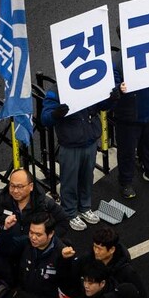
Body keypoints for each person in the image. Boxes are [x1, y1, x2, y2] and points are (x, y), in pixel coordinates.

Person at [40, 87, 103, 231]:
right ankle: (69, 212)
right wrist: (56, 114)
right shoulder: (56, 90)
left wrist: (112, 98)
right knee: (70, 180)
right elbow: (45, 118)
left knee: (87, 177)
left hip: (90, 140)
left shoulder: (90, 81)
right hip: (71, 144)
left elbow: (101, 104)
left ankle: (84, 207)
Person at [110, 49, 149, 199]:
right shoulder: (117, 62)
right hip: (129, 117)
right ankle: (126, 183)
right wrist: (118, 88)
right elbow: (111, 87)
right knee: (127, 152)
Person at [0, 213, 76, 298]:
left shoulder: (62, 252)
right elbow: (3, 250)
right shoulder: (26, 242)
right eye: (31, 232)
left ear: (50, 234)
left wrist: (65, 261)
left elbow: (67, 282)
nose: (33, 237)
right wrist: (6, 229)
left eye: (38, 234)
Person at [0, 168, 70, 239]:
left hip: (35, 251)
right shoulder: (1, 200)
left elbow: (63, 221)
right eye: (12, 186)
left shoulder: (45, 203)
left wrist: (47, 239)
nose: (15, 191)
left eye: (20, 187)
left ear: (31, 186)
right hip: (9, 247)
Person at [79, 226, 147, 297]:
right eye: (95, 247)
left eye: (100, 249)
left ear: (111, 250)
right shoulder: (87, 258)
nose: (96, 251)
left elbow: (140, 295)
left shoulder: (126, 272)